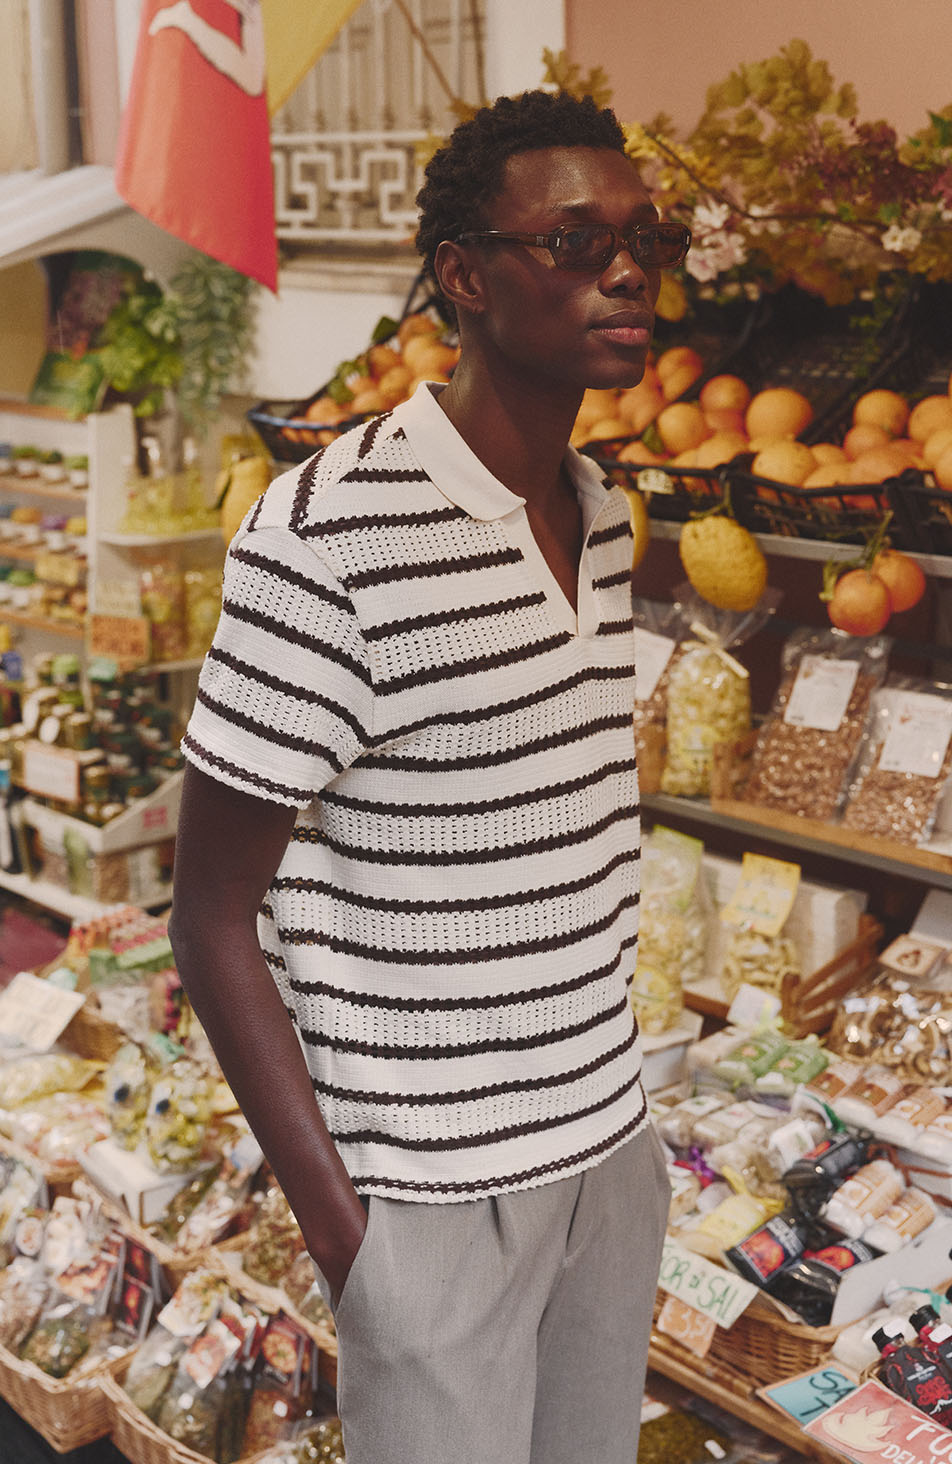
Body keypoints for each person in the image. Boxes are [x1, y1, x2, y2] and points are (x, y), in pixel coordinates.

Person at [169, 87, 690, 1464]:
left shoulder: (603, 512)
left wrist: (624, 1141)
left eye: (646, 239)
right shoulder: (325, 539)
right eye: (575, 242)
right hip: (432, 1200)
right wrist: (354, 1243)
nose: (628, 272)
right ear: (463, 274)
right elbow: (210, 916)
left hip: (608, 1162)